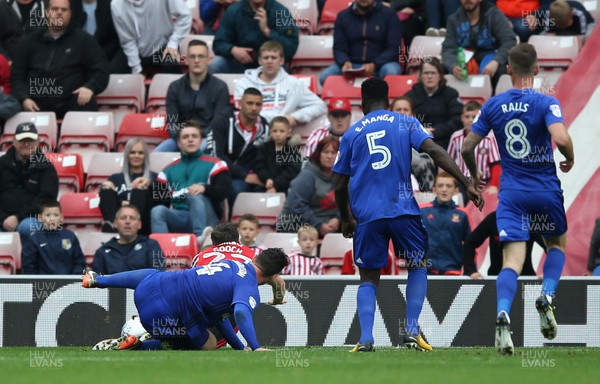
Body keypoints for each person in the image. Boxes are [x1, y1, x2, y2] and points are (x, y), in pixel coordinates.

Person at [332, 77, 482, 352]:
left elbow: (339, 184)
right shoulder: (405, 122)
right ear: (387, 101)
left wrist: (345, 218)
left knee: (368, 277)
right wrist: (466, 181)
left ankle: (366, 338)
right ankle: (411, 330)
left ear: (363, 103)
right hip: (402, 210)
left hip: (368, 216)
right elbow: (435, 151)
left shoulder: (351, 134)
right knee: (418, 264)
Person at [461, 43, 575, 355]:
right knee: (555, 246)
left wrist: (473, 178)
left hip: (512, 194)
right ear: (536, 69)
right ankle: (547, 295)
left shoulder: (494, 105)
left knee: (512, 260)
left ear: (508, 70)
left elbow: (467, 147)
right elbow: (562, 138)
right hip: (545, 191)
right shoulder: (546, 102)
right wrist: (570, 157)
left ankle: (502, 313)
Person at [82, 247, 289, 351]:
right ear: (273, 276)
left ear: (254, 259)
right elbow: (241, 311)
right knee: (208, 342)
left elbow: (220, 317)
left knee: (157, 275)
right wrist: (255, 346)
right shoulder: (248, 287)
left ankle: (99, 279)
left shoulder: (232, 263)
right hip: (160, 315)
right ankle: (141, 345)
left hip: (147, 288)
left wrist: (239, 348)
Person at [10, 0, 110, 119]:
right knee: (14, 107)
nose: (59, 13)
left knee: (87, 102)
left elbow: (101, 71)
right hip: (35, 105)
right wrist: (24, 98)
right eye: (54, 9)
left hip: (71, 103)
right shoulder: (29, 41)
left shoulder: (84, 41)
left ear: (70, 14)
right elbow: (16, 76)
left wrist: (90, 88)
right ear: (47, 12)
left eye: (64, 10)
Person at [151, 121, 231, 246]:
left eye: (194, 136)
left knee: (194, 196)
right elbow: (159, 200)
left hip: (208, 218)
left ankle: (199, 241)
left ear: (201, 141)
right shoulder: (167, 171)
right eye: (185, 137)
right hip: (181, 217)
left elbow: (224, 191)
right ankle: (163, 248)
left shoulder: (216, 164)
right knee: (157, 211)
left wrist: (205, 188)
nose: (190, 140)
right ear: (178, 143)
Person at [156, 39, 231, 152]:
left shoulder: (220, 87)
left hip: (206, 139)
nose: (196, 60)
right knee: (155, 156)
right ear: (186, 60)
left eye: (201, 56)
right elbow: (172, 122)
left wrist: (195, 137)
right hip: (180, 138)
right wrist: (183, 138)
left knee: (196, 153)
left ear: (208, 60)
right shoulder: (174, 87)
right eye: (192, 56)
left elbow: (218, 124)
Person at [234, 40, 327, 127]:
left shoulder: (294, 84)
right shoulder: (244, 83)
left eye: (273, 58)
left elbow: (320, 106)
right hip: (255, 130)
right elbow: (240, 111)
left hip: (282, 134)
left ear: (281, 60)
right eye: (266, 58)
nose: (269, 61)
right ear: (259, 60)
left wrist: (295, 117)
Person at [0, 122, 58, 246]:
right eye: (22, 140)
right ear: (14, 141)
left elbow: (46, 200)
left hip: (31, 218)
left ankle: (28, 265)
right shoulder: (1, 164)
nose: (26, 144)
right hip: (2, 217)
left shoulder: (46, 168)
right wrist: (4, 218)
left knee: (30, 228)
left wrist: (17, 217)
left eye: (30, 140)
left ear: (37, 142)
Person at [211, 87, 269, 209]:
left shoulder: (265, 127)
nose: (254, 108)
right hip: (221, 173)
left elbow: (265, 157)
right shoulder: (222, 121)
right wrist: (244, 175)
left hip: (249, 175)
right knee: (235, 190)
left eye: (258, 104)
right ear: (240, 103)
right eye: (249, 103)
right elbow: (216, 155)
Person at [319, 0, 402, 85]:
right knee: (325, 77)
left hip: (381, 65)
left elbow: (393, 49)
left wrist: (374, 65)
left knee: (392, 72)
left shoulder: (390, 15)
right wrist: (345, 62)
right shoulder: (343, 16)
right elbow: (339, 48)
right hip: (351, 65)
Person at [442, 0, 517, 88]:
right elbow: (448, 48)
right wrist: (452, 66)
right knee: (441, 68)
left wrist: (496, 61)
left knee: (500, 70)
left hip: (491, 57)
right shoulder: (454, 20)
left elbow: (509, 41)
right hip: (464, 58)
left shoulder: (494, 15)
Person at [210, 0, 299, 74]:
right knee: (215, 65)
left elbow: (291, 48)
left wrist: (267, 31)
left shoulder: (281, 12)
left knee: (281, 69)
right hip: (238, 64)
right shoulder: (233, 11)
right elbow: (218, 43)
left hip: (269, 64)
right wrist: (233, 50)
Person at [277, 136, 340, 236]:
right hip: (297, 226)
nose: (329, 156)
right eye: (325, 152)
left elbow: (347, 202)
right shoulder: (307, 176)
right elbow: (297, 206)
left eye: (333, 153)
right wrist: (319, 225)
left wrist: (337, 218)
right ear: (318, 154)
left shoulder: (344, 176)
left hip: (326, 224)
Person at [110, 0, 191, 75]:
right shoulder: (116, 4)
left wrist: (173, 43)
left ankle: (175, 90)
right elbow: (127, 40)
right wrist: (136, 68)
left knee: (171, 64)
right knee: (113, 72)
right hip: (136, 52)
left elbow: (185, 15)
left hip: (162, 49)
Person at [99, 138, 158, 236]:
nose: (136, 156)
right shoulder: (115, 178)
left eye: (140, 153)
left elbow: (165, 202)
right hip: (119, 222)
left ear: (145, 156)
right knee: (106, 188)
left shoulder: (155, 177)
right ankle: (112, 225)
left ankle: (131, 225)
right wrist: (123, 202)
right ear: (127, 155)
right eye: (132, 152)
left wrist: (150, 185)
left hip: (142, 225)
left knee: (140, 189)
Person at [463, 211, 546, 279]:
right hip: (496, 278)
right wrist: (471, 270)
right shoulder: (493, 218)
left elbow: (551, 246)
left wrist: (549, 273)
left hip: (525, 278)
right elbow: (469, 243)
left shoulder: (529, 220)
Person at [419, 172, 473, 275]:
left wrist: (470, 270)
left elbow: (470, 245)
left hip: (453, 272)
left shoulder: (463, 214)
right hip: (425, 272)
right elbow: (412, 240)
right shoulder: (422, 211)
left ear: (456, 190)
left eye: (449, 186)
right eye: (440, 186)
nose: (444, 189)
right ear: (434, 190)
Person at [404, 57, 464, 150]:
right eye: (426, 73)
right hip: (415, 141)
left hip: (444, 141)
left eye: (433, 73)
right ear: (420, 76)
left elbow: (457, 120)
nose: (429, 76)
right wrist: (421, 132)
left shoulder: (451, 94)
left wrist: (434, 132)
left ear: (440, 76)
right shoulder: (410, 96)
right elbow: (403, 120)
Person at [447, 100, 501, 199]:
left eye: (474, 117)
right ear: (462, 118)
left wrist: (494, 185)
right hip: (461, 181)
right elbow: (449, 163)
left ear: (480, 118)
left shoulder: (489, 138)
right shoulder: (455, 137)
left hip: (484, 182)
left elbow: (495, 164)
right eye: (467, 117)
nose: (470, 120)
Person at [92, 205, 166, 275]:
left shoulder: (152, 246)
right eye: (123, 218)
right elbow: (96, 283)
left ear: (139, 224)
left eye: (132, 218)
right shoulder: (102, 251)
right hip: (113, 288)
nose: (127, 222)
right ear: (115, 223)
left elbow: (158, 276)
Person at [22, 199, 85, 275]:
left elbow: (79, 262)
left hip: (68, 284)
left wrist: (73, 280)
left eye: (56, 215)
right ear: (40, 218)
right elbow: (29, 266)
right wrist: (37, 283)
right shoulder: (33, 239)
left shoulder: (70, 236)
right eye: (48, 215)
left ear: (61, 217)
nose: (52, 219)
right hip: (43, 284)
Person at [391, 95, 436, 192]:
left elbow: (428, 163)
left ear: (412, 114)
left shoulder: (422, 136)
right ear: (391, 113)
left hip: (420, 190)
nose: (402, 113)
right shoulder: (384, 134)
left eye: (406, 109)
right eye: (398, 109)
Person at [71, 0, 128, 73]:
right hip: (76, 61)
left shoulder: (111, 5)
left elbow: (116, 40)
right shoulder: (69, 6)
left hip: (106, 59)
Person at [255, 116, 302, 194]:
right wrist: (267, 179)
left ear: (289, 133)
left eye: (282, 131)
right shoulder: (263, 148)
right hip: (264, 185)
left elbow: (292, 172)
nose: (278, 134)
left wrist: (275, 185)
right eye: (275, 131)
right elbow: (259, 166)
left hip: (285, 188)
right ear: (270, 132)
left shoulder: (293, 150)